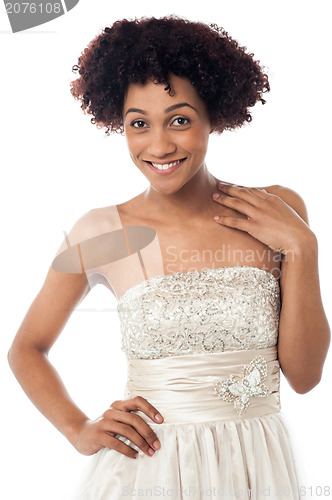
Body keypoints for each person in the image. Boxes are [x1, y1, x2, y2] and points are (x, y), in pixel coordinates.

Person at [8, 14, 330, 499]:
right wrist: (78, 429)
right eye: (139, 124)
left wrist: (303, 248)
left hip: (257, 468)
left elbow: (304, 378)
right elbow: (25, 348)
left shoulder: (277, 210)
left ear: (213, 116)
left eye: (179, 119)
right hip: (148, 471)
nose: (159, 145)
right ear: (120, 126)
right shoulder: (102, 231)